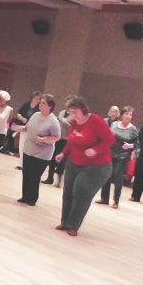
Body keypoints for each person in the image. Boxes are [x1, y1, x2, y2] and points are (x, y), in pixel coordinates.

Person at [55, 96, 114, 236]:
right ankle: (65, 222)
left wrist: (95, 150)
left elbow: (109, 139)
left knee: (81, 192)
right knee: (68, 191)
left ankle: (73, 225)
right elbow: (71, 141)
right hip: (74, 162)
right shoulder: (75, 123)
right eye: (71, 112)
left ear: (83, 109)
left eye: (76, 111)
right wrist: (63, 154)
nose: (73, 114)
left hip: (96, 166)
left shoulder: (96, 121)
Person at [12, 94, 61, 206]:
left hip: (42, 153)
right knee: (26, 173)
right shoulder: (35, 115)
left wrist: (43, 139)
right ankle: (25, 196)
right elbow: (27, 128)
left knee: (34, 176)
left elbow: (56, 137)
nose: (41, 104)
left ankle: (32, 198)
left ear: (50, 106)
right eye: (41, 102)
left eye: (44, 103)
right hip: (29, 149)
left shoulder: (53, 121)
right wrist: (17, 128)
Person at [97, 106, 138, 208]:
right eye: (127, 114)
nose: (128, 116)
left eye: (130, 115)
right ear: (122, 115)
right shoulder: (114, 124)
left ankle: (116, 201)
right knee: (107, 174)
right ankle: (104, 198)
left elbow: (138, 144)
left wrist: (130, 146)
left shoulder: (133, 129)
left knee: (118, 176)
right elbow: (108, 136)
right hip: (110, 153)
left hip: (123, 156)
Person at [42, 94, 76, 186]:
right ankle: (50, 178)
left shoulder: (75, 116)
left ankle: (59, 180)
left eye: (70, 101)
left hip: (67, 140)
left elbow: (75, 129)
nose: (67, 103)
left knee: (61, 160)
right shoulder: (62, 112)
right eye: (67, 101)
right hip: (58, 137)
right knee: (52, 157)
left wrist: (67, 123)